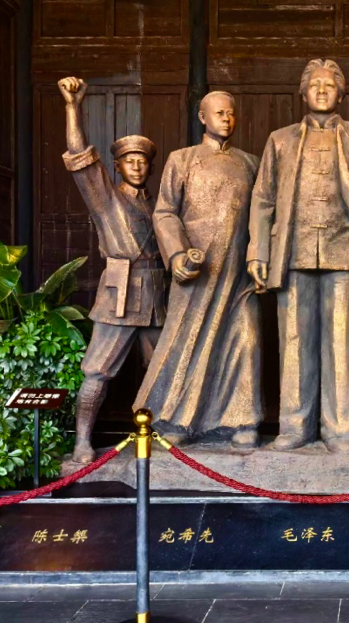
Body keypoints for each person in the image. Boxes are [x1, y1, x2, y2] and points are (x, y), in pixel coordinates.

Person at [247, 59, 349, 454]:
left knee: (342, 341)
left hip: (344, 251)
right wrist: (258, 251)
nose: (321, 91)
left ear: (341, 94)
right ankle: (294, 427)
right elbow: (263, 198)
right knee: (294, 341)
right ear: (302, 93)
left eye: (329, 85)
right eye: (314, 85)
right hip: (293, 251)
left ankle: (341, 430)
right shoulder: (280, 140)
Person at [134, 91, 262, 448]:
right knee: (186, 341)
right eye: (219, 113)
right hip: (196, 271)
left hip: (238, 275)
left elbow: (265, 214)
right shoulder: (183, 159)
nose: (226, 119)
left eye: (231, 113)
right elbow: (164, 212)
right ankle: (177, 418)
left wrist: (261, 259)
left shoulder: (251, 163)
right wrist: (176, 255)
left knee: (246, 339)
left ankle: (240, 419)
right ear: (203, 117)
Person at [58, 76, 165, 464]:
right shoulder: (105, 198)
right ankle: (82, 443)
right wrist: (73, 107)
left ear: (150, 167)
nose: (136, 166)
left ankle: (162, 440)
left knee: (164, 371)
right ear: (117, 167)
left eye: (142, 161)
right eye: (129, 161)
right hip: (119, 293)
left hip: (156, 295)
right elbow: (80, 157)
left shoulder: (159, 205)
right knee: (97, 372)